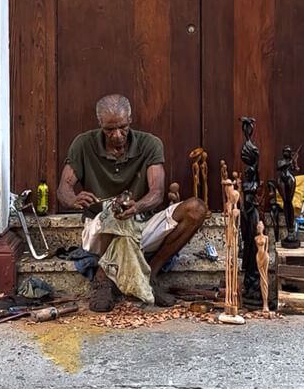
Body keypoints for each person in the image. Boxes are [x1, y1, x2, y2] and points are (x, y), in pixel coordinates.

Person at [57, 94, 206, 313]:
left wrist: (137, 207)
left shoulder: (150, 144)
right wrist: (73, 199)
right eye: (109, 130)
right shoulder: (83, 143)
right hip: (100, 231)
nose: (117, 135)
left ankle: (149, 277)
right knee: (113, 212)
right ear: (100, 124)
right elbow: (63, 188)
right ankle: (102, 280)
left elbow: (156, 192)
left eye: (123, 128)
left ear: (131, 120)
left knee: (196, 209)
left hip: (141, 226)